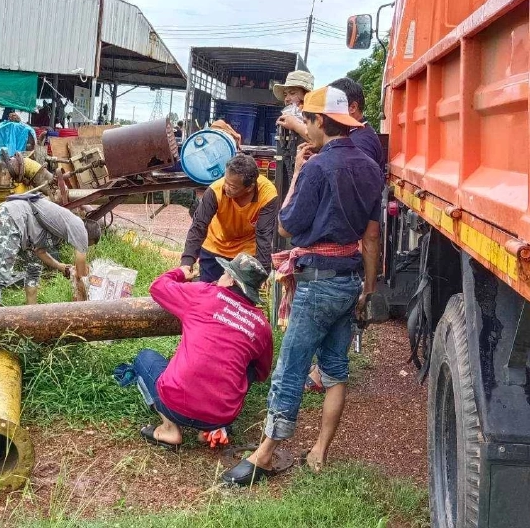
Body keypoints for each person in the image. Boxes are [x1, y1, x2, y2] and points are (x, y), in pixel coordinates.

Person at [220, 86, 383, 486]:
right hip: (349, 279)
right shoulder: (370, 167)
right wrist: (368, 287)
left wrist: (295, 171)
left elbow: (285, 225)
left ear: (321, 122)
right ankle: (320, 452)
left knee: (290, 369)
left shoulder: (315, 168)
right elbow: (373, 235)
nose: (304, 127)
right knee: (335, 369)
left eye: (307, 120)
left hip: (316, 282)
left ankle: (263, 456)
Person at [116, 253, 273, 449]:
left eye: (224, 273)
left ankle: (169, 428)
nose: (220, 277)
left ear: (232, 279)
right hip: (220, 416)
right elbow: (262, 373)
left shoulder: (203, 293)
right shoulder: (261, 325)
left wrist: (181, 272)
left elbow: (157, 287)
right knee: (250, 367)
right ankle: (212, 428)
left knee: (144, 358)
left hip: (174, 404)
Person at [0, 194, 99, 308]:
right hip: (14, 216)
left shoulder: (61, 230)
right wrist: (88, 285)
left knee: (34, 271)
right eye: (88, 245)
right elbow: (81, 272)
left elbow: (40, 252)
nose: (84, 247)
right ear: (89, 238)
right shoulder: (79, 227)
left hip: (28, 231)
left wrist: (61, 267)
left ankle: (32, 314)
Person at [181, 154, 279, 281]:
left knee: (238, 298)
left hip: (246, 251)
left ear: (249, 187)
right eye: (225, 181)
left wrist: (262, 273)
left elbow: (264, 235)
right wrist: (186, 262)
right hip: (215, 245)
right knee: (208, 293)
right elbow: (199, 225)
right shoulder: (215, 190)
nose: (226, 187)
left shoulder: (267, 195)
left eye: (232, 186)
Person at [328, 77, 386, 175]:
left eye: (334, 106)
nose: (328, 113)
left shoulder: (360, 143)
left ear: (352, 107)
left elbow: (356, 185)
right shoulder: (358, 133)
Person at [274, 70, 315, 140]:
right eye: (285, 94)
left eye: (292, 93)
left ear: (306, 94)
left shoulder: (317, 116)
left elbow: (318, 141)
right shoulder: (288, 116)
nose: (286, 99)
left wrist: (295, 125)